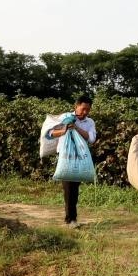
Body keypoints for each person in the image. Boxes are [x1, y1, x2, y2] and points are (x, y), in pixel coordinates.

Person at [49, 96, 96, 227]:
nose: (85, 112)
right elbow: (51, 133)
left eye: (88, 110)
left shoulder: (89, 122)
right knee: (69, 188)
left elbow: (91, 138)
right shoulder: (65, 117)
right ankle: (70, 219)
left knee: (74, 188)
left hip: (80, 157)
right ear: (76, 106)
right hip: (66, 157)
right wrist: (64, 129)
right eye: (83, 109)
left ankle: (72, 218)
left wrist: (76, 128)